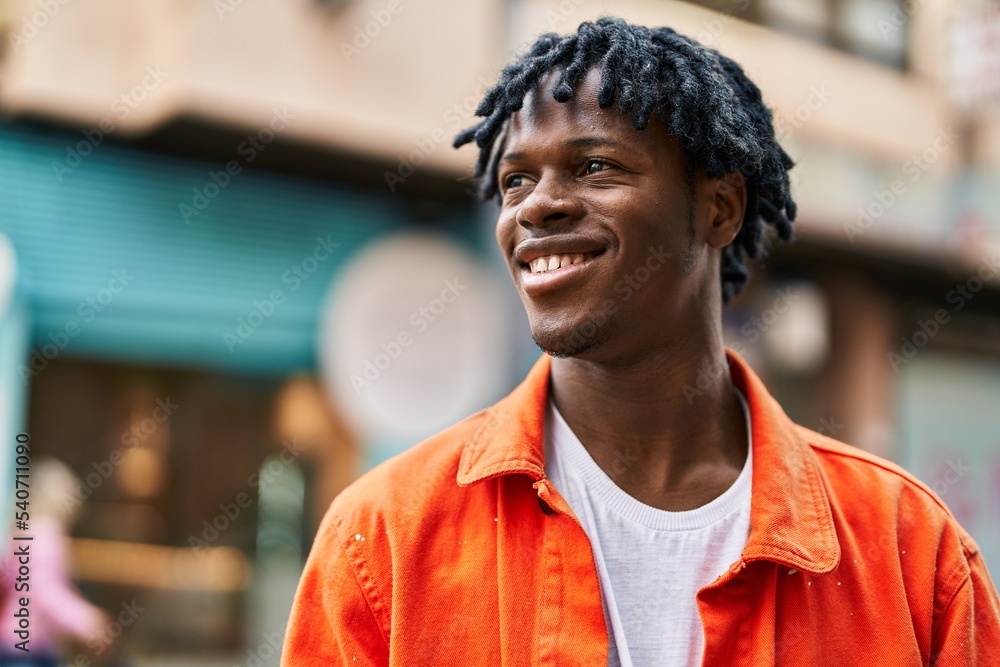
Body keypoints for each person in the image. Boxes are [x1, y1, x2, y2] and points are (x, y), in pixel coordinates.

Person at [282, 17, 1000, 666]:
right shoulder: (383, 542)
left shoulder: (910, 553)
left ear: (719, 207)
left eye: (595, 166)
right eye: (516, 180)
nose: (538, 205)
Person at [0, 458, 108, 666]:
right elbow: (45, 590)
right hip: (29, 649)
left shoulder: (21, 533)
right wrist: (86, 620)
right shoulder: (45, 534)